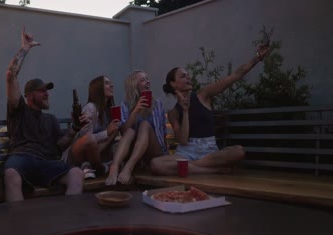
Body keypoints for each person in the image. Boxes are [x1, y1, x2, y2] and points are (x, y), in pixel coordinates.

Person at [150, 44, 270, 176]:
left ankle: (191, 167)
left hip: (209, 152)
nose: (188, 78)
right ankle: (210, 170)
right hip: (187, 152)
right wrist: (184, 111)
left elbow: (235, 76)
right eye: (183, 76)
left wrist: (257, 57)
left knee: (238, 152)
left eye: (188, 75)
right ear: (173, 83)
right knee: (156, 164)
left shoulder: (203, 95)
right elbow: (183, 140)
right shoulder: (173, 113)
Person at [3, 27, 85, 202]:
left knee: (77, 173)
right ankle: (19, 226)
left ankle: (68, 221)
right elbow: (11, 75)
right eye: (42, 91)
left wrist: (76, 127)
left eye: (47, 91)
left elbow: (61, 145)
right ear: (29, 95)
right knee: (10, 173)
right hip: (21, 159)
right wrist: (25, 48)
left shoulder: (51, 119)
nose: (47, 94)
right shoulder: (19, 110)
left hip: (46, 163)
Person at [105, 70, 168, 185]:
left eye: (147, 79)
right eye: (143, 80)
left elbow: (163, 132)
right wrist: (135, 111)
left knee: (144, 125)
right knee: (129, 131)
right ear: (134, 85)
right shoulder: (125, 104)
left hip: (154, 152)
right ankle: (114, 168)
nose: (147, 82)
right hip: (134, 151)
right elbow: (123, 131)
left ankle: (128, 167)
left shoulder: (158, 103)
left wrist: (166, 154)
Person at [62, 75, 121, 179]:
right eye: (107, 83)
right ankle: (99, 167)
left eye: (111, 82)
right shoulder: (91, 108)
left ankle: (94, 166)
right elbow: (85, 138)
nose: (111, 85)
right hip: (77, 154)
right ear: (97, 88)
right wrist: (106, 132)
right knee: (91, 139)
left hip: (95, 155)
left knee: (116, 130)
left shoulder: (108, 110)